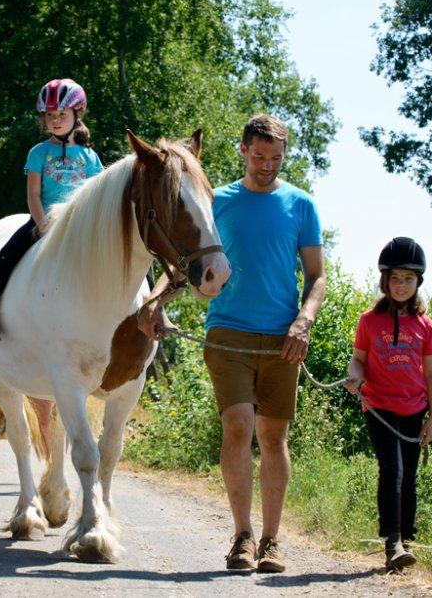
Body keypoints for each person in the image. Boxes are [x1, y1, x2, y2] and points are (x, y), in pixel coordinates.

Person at [139, 114, 326, 573]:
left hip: (284, 338)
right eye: (259, 156)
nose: (267, 165)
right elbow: (188, 262)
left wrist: (304, 321)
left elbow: (317, 277)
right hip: (227, 332)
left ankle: (271, 541)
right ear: (243, 150)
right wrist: (156, 301)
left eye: (276, 158)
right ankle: (242, 535)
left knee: (274, 436)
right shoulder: (216, 200)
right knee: (239, 425)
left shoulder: (300, 205)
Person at [0, 78, 102, 343]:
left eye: (62, 114)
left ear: (77, 115)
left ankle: (149, 307)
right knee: (8, 252)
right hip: (44, 220)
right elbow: (33, 194)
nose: (55, 120)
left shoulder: (89, 157)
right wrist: (42, 224)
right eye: (49, 115)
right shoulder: (38, 153)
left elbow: (96, 197)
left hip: (80, 224)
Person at [343, 237, 432, 571]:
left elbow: (431, 374)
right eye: (396, 279)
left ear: (418, 283)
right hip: (379, 406)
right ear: (385, 281)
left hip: (415, 408)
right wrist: (354, 376)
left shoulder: (424, 325)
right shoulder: (369, 321)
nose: (401, 285)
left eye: (408, 279)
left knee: (409, 476)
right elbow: (358, 361)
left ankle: (408, 539)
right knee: (393, 469)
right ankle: (392, 542)